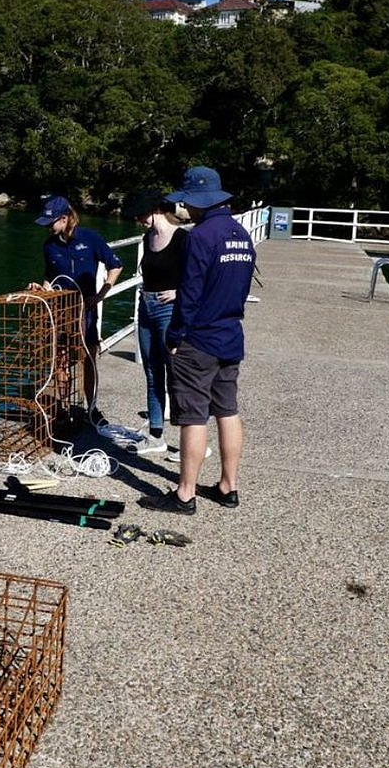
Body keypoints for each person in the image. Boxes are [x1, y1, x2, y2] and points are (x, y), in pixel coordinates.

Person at [140, 166, 256, 515]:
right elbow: (243, 286)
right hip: (230, 334)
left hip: (198, 339)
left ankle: (185, 494)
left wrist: (175, 337)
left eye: (186, 202)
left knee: (193, 415)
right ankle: (228, 486)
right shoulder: (241, 234)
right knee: (228, 410)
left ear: (197, 202)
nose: (183, 208)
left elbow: (188, 295)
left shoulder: (201, 237)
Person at [30, 195, 123, 427]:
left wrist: (100, 295)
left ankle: (91, 407)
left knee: (88, 359)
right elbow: (50, 278)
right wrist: (41, 289)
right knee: (60, 359)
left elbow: (116, 265)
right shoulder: (49, 245)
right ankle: (63, 408)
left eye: (51, 223)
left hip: (86, 309)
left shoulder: (90, 238)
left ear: (65, 218)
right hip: (60, 310)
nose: (48, 228)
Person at [121, 188, 186, 457]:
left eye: (141, 215)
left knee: (176, 374)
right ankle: (156, 435)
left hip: (168, 310)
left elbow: (198, 276)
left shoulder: (183, 238)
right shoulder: (148, 238)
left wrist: (179, 292)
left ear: (155, 210)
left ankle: (189, 441)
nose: (139, 220)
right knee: (151, 371)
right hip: (146, 306)